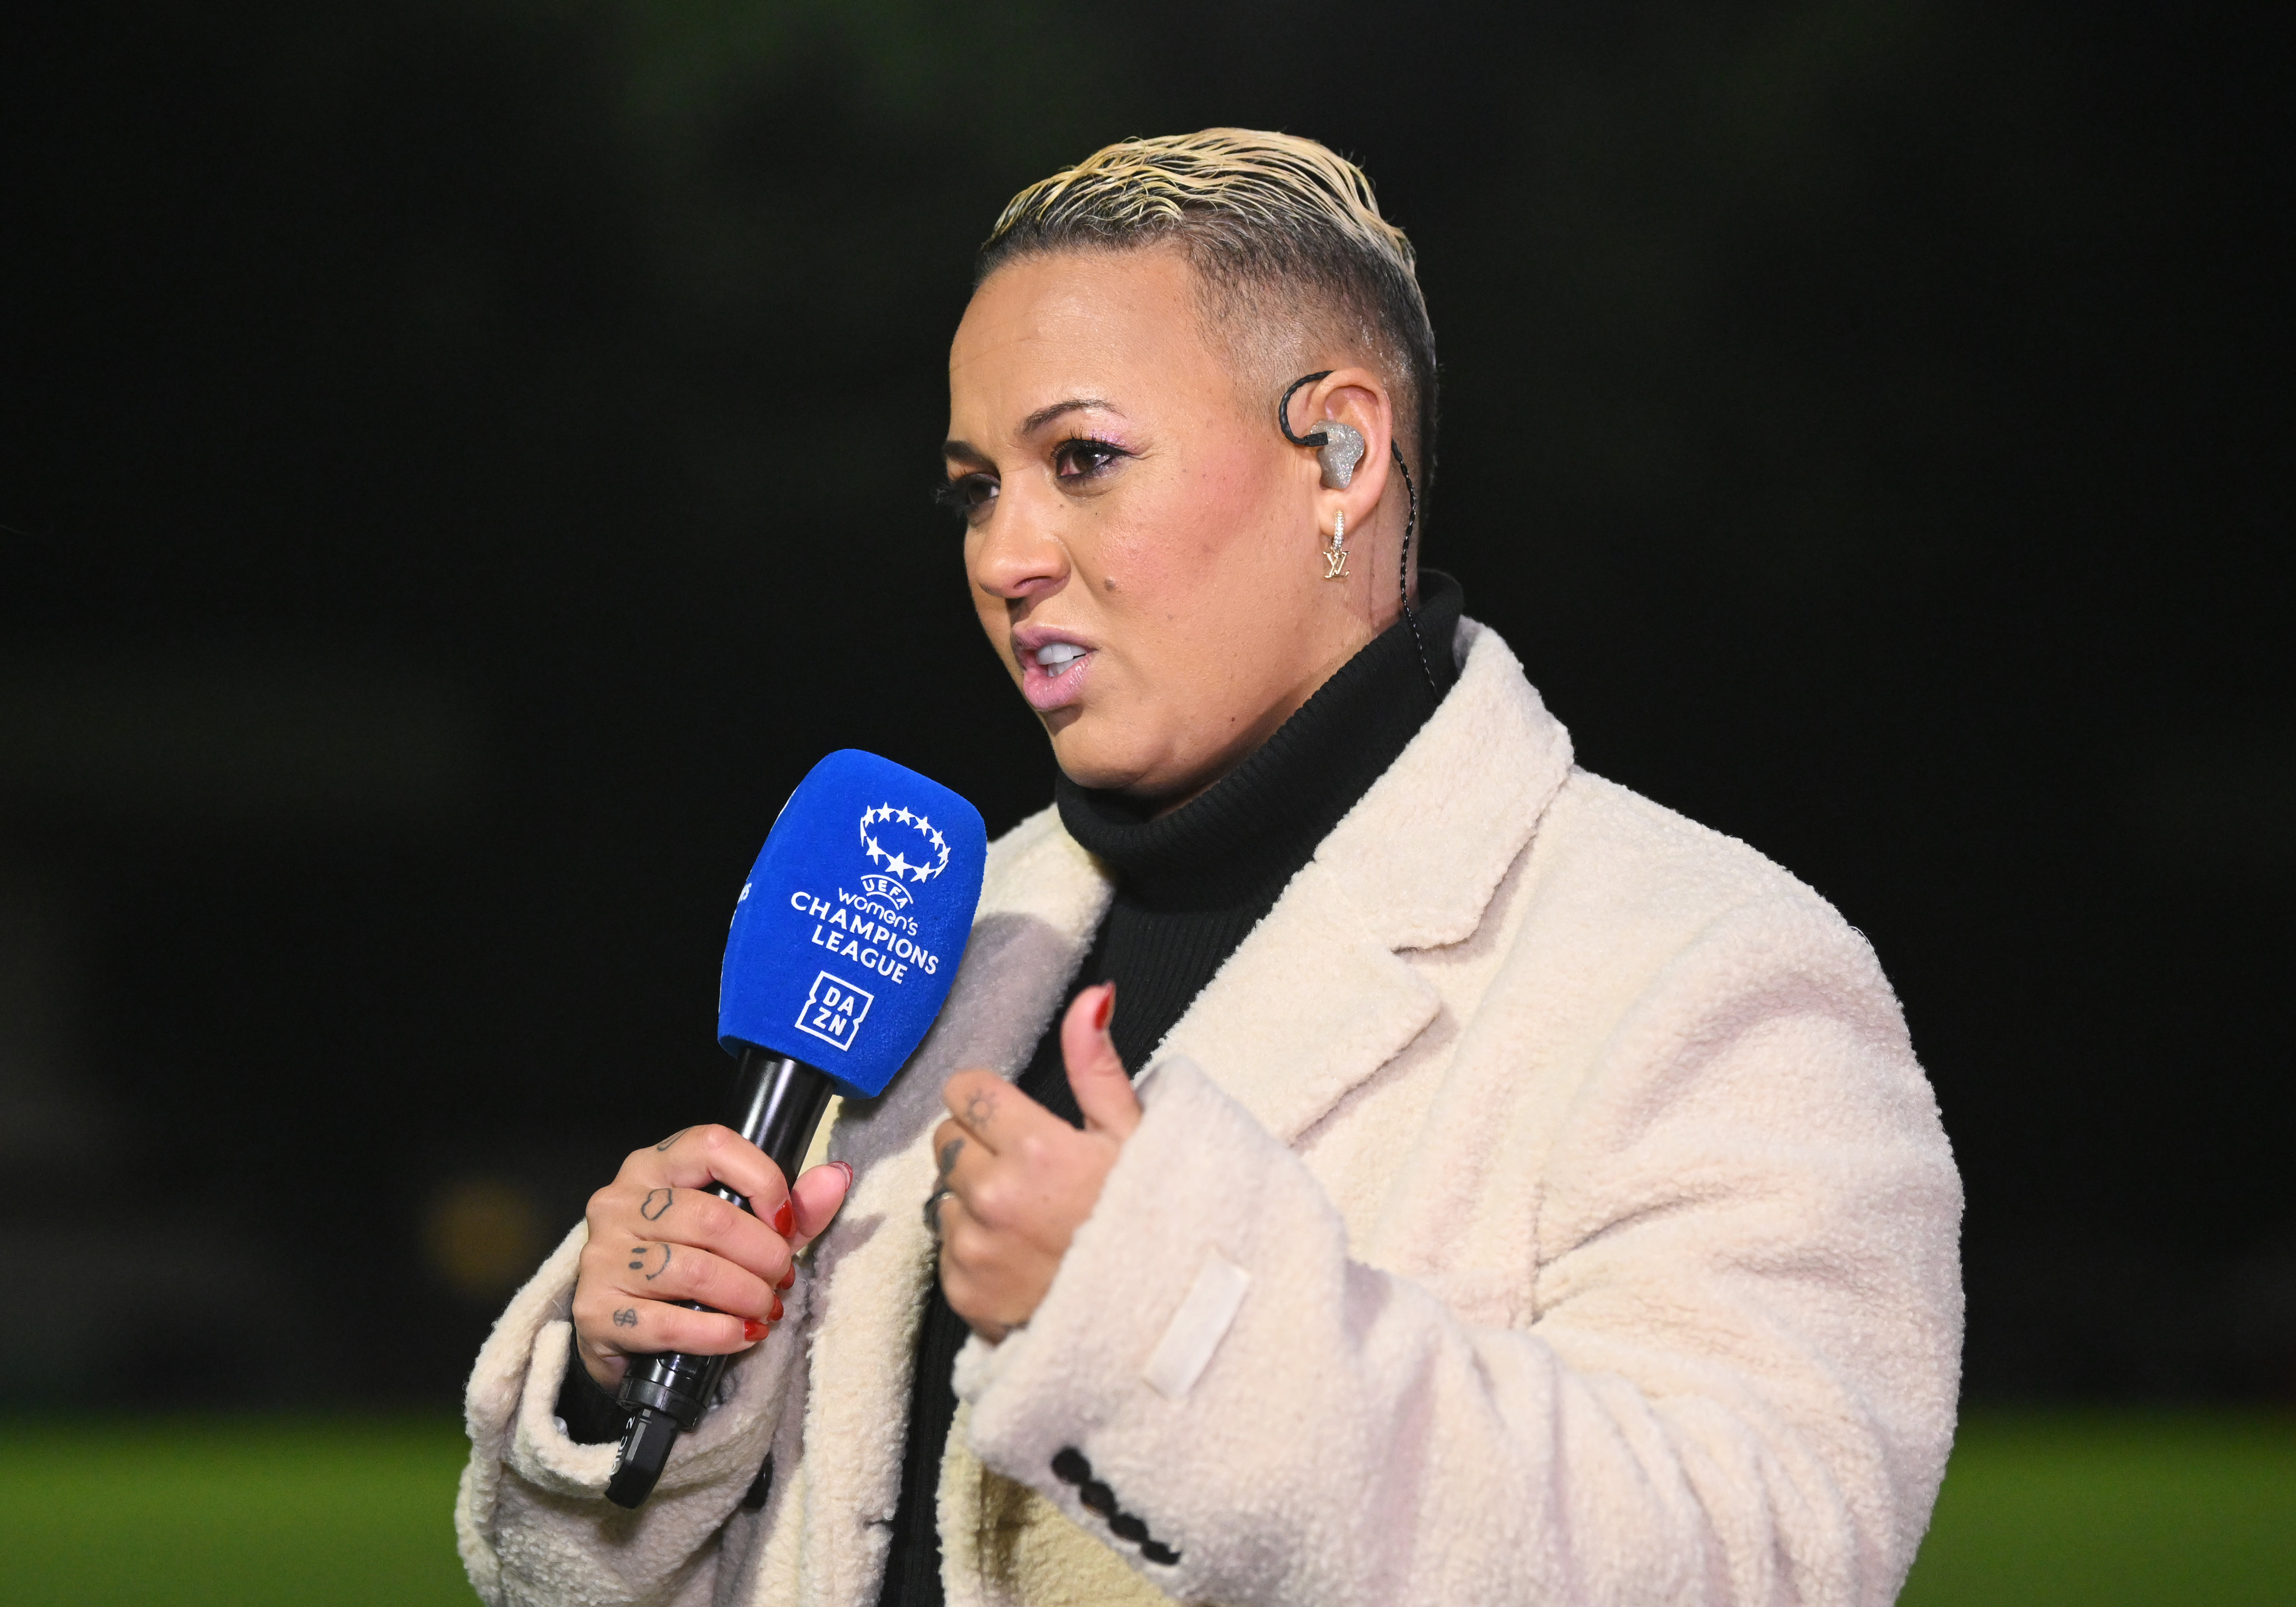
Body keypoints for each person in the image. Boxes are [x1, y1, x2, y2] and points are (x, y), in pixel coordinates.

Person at [455, 129, 1962, 1607]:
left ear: (1342, 453)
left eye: (1084, 459)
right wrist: (625, 1392)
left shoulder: (1706, 966)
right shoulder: (947, 925)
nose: (1001, 554)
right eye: (975, 485)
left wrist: (1163, 1321)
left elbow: (1757, 1563)